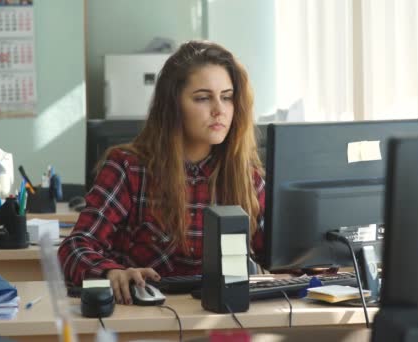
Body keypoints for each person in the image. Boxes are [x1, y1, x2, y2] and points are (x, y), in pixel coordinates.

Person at [57, 40, 265, 305]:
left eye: (227, 97)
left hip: (220, 318)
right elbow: (75, 247)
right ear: (173, 105)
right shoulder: (127, 167)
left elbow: (276, 255)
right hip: (146, 318)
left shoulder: (245, 175)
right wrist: (112, 273)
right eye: (202, 98)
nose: (219, 110)